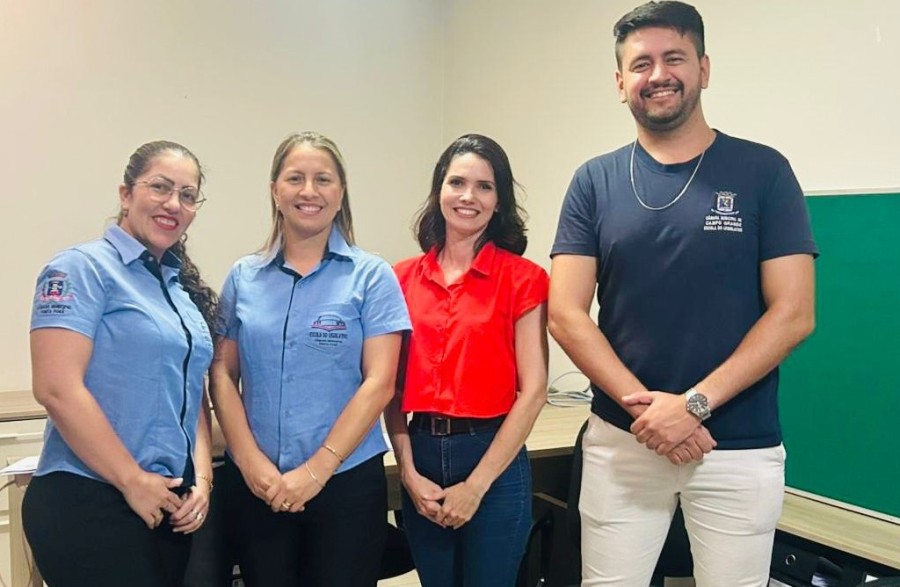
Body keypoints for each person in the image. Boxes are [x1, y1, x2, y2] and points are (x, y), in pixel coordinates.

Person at [548, 2, 818, 586]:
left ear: (703, 68)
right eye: (640, 63)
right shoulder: (594, 181)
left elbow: (794, 313)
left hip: (736, 444)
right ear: (621, 83)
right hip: (623, 440)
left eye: (674, 57)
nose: (658, 74)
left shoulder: (763, 171)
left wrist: (692, 406)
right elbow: (566, 314)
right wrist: (648, 412)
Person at [209, 131, 410, 587]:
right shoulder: (245, 276)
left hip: (345, 482)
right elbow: (222, 373)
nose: (309, 191)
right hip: (259, 484)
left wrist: (316, 471)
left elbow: (380, 381)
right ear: (275, 190)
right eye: (295, 178)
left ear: (340, 194)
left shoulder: (371, 276)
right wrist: (250, 461)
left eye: (323, 179)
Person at [23, 141, 217, 587]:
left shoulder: (178, 291)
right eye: (160, 187)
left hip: (167, 502)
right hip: (92, 498)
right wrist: (131, 479)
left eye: (188, 195)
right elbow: (56, 387)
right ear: (126, 194)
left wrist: (202, 481)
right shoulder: (80, 269)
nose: (174, 204)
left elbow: (192, 395)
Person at [386, 134, 549, 586]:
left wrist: (476, 487)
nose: (468, 197)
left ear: (499, 202)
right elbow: (390, 388)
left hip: (492, 454)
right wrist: (408, 473)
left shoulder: (524, 279)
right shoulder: (398, 279)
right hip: (419, 451)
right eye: (457, 182)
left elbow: (533, 390)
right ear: (439, 190)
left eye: (484, 186)